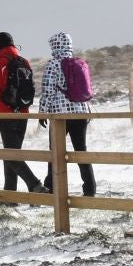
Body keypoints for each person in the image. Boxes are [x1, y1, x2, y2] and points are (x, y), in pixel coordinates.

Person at [0, 32, 46, 198]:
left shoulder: (0, 62)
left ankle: (35, 185)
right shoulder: (24, 61)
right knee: (13, 153)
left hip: (6, 114)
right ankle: (9, 197)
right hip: (23, 113)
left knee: (11, 155)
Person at [40, 31, 96, 197]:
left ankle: (51, 187)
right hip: (81, 112)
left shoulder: (53, 64)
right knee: (81, 151)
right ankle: (90, 189)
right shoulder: (80, 62)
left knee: (55, 151)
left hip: (60, 115)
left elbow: (48, 91)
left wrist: (42, 113)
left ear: (54, 46)